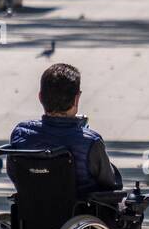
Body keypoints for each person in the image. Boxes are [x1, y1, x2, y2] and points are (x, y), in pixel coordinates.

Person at [10, 63, 123, 196]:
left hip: (32, 207)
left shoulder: (21, 133)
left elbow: (14, 173)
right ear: (76, 99)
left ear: (40, 97)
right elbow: (109, 182)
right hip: (80, 210)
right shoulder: (90, 142)